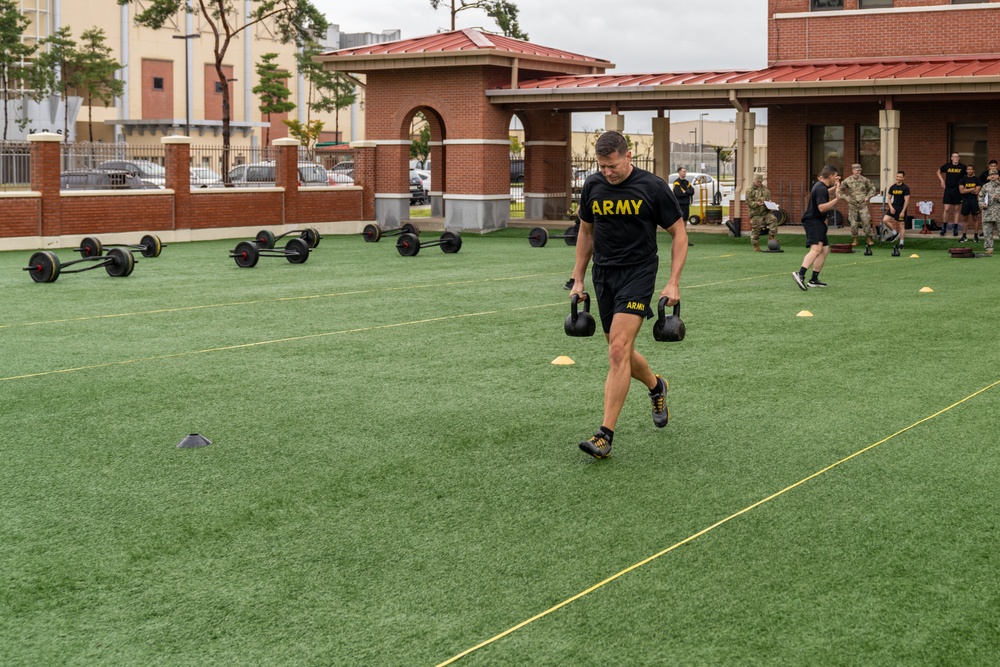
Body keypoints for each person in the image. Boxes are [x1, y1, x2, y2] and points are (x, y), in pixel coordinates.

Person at [570, 131, 687, 459]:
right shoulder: (593, 186)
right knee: (617, 349)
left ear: (628, 155)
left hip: (638, 273)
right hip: (604, 275)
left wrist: (673, 281)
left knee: (618, 350)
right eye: (601, 166)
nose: (607, 172)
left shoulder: (652, 187)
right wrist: (577, 278)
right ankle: (656, 385)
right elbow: (586, 231)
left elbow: (679, 233)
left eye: (612, 166)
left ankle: (604, 435)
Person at [792, 165, 840, 290]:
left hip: (819, 222)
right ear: (830, 176)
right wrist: (836, 200)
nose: (836, 177)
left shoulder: (821, 186)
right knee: (816, 250)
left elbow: (826, 192)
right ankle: (800, 274)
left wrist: (837, 187)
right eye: (835, 176)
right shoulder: (820, 188)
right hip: (813, 222)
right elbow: (822, 208)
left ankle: (814, 279)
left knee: (824, 250)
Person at [840, 163, 876, 247]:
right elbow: (840, 190)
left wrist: (868, 197)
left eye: (859, 170)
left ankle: (868, 238)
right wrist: (846, 198)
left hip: (862, 204)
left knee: (866, 221)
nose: (858, 172)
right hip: (852, 204)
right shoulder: (847, 180)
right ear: (853, 170)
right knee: (853, 223)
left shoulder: (864, 180)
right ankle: (855, 239)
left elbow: (872, 188)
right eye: (857, 170)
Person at [746, 173, 778, 251]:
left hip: (765, 212)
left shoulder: (765, 189)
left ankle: (771, 238)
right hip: (756, 213)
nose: (759, 183)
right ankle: (756, 245)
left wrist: (771, 205)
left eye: (761, 182)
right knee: (756, 230)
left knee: (773, 220)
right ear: (754, 180)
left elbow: (768, 199)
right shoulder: (750, 190)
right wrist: (756, 204)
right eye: (758, 181)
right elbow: (748, 202)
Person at [881, 170, 910, 255]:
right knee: (885, 220)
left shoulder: (905, 188)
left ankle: (901, 243)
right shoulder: (892, 187)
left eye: (900, 177)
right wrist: (891, 207)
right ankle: (894, 233)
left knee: (901, 225)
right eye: (897, 176)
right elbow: (889, 198)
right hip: (893, 207)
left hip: (901, 208)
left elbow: (907, 201)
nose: (898, 178)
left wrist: (903, 211)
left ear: (903, 178)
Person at [938, 152, 966, 236]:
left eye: (957, 156)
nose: (956, 158)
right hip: (948, 189)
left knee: (957, 209)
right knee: (946, 209)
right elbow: (938, 171)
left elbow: (968, 175)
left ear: (959, 158)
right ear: (951, 158)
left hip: (958, 190)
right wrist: (942, 181)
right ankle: (944, 228)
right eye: (954, 156)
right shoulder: (947, 166)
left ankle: (955, 228)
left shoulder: (963, 167)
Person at [977, 168, 1000, 257]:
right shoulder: (985, 186)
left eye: (994, 174)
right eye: (991, 175)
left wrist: (998, 198)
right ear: (989, 177)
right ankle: (989, 248)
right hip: (987, 213)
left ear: (998, 175)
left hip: (998, 213)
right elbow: (980, 197)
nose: (993, 176)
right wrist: (982, 205)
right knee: (987, 232)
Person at [959, 164, 981, 243]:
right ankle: (964, 236)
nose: (969, 171)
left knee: (976, 218)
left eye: (971, 169)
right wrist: (972, 188)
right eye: (968, 169)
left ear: (973, 170)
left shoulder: (977, 180)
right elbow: (961, 191)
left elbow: (976, 192)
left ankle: (976, 236)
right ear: (966, 170)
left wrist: (966, 189)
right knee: (965, 218)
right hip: (965, 201)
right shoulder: (962, 180)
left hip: (974, 201)